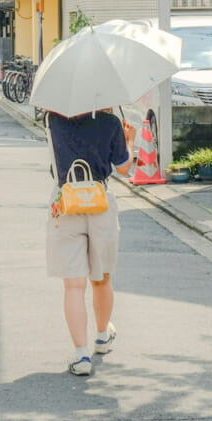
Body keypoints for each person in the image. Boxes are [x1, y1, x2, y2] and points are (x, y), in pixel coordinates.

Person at [46, 108, 136, 376]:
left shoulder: (54, 120)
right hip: (99, 201)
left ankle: (81, 355)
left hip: (66, 201)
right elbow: (124, 167)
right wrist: (129, 140)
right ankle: (102, 336)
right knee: (101, 278)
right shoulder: (110, 123)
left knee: (74, 284)